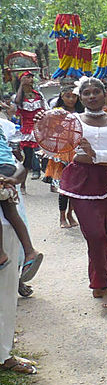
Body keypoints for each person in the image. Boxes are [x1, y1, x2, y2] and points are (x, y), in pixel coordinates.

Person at [56, 77, 107, 308]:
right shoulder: (72, 119)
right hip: (80, 181)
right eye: (86, 93)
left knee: (104, 236)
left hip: (106, 180)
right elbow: (53, 140)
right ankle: (103, 286)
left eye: (96, 91)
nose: (91, 96)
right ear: (80, 97)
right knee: (95, 235)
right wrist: (43, 122)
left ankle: (97, 283)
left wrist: (95, 153)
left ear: (105, 94)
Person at [0, 159, 35, 374]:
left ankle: (3, 353)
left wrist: (12, 178)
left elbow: (21, 164)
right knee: (4, 295)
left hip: (6, 225)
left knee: (5, 295)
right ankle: (3, 356)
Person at [0, 112, 43, 279]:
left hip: (4, 169)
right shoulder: (4, 126)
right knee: (11, 213)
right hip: (8, 167)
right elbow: (17, 156)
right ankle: (29, 251)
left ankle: (2, 255)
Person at [46, 86, 79, 228]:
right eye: (67, 96)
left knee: (75, 188)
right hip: (61, 153)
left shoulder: (82, 112)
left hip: (78, 152)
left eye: (74, 96)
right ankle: (62, 217)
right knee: (63, 187)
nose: (71, 99)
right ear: (62, 97)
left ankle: (70, 214)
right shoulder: (55, 113)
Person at [13, 71, 47, 181]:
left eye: (31, 77)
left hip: (40, 129)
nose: (31, 79)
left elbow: (45, 110)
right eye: (28, 77)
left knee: (44, 153)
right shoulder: (18, 96)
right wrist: (21, 85)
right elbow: (17, 102)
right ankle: (23, 183)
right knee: (27, 158)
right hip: (27, 131)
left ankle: (46, 175)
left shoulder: (38, 95)